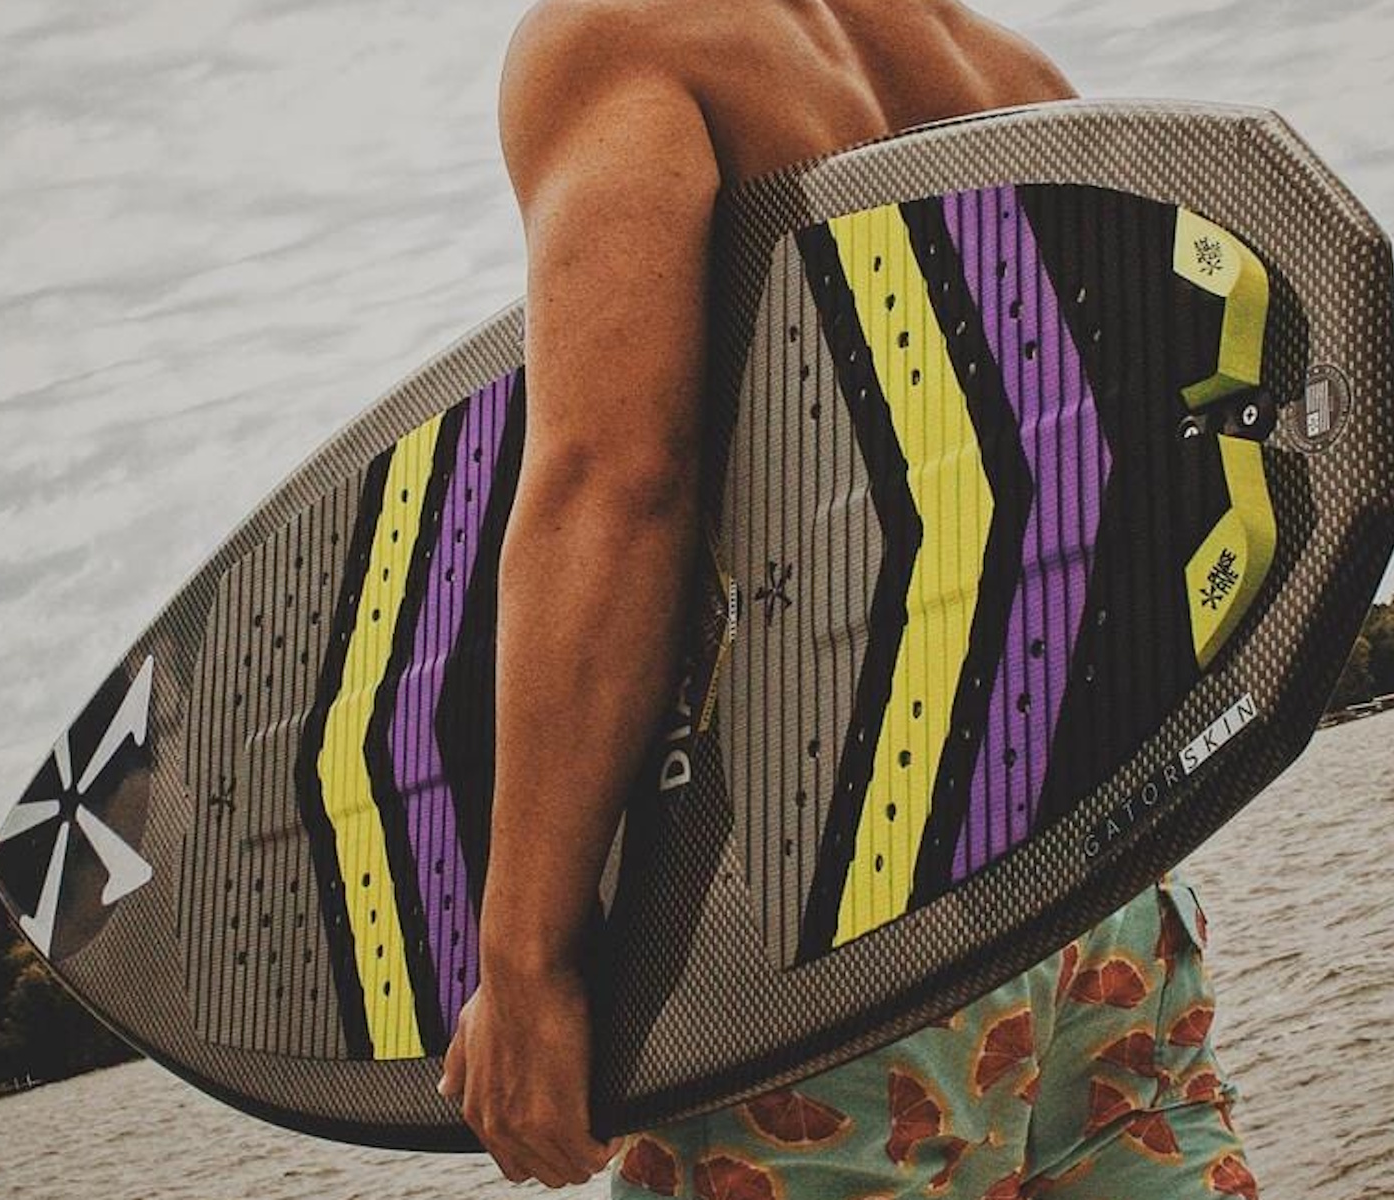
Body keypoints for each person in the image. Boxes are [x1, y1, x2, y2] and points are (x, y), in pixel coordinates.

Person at [437, 1, 1261, 1196]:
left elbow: (617, 484)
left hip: (845, 916)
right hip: (1103, 894)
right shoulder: (1004, 67)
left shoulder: (614, 37)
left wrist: (525, 963)